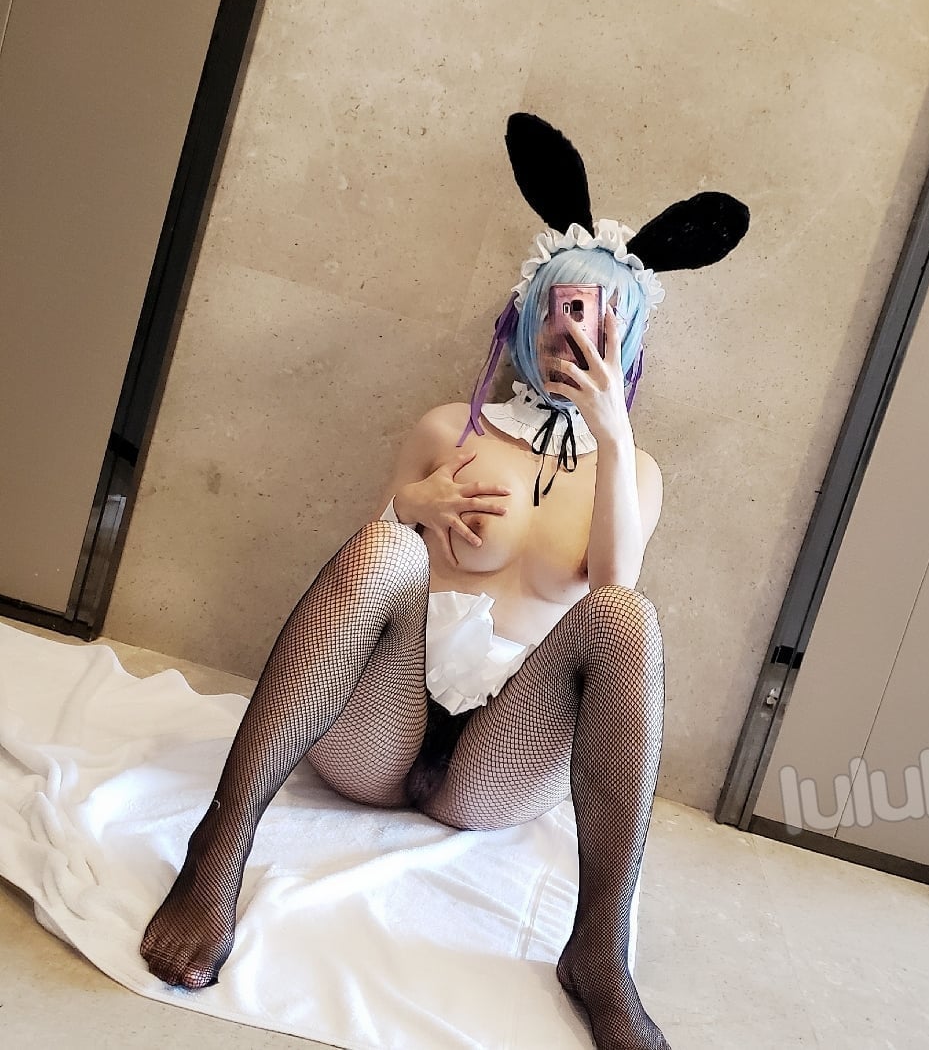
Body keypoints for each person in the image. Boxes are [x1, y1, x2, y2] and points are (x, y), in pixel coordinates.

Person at [140, 114, 748, 1050]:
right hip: (380, 727)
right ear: (530, 309)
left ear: (628, 336)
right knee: (380, 550)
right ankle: (214, 853)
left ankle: (598, 955)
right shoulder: (445, 429)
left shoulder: (636, 472)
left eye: (600, 317)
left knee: (629, 618)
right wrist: (412, 506)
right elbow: (361, 586)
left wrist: (614, 433)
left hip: (497, 761)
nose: (574, 333)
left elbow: (609, 587)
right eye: (563, 308)